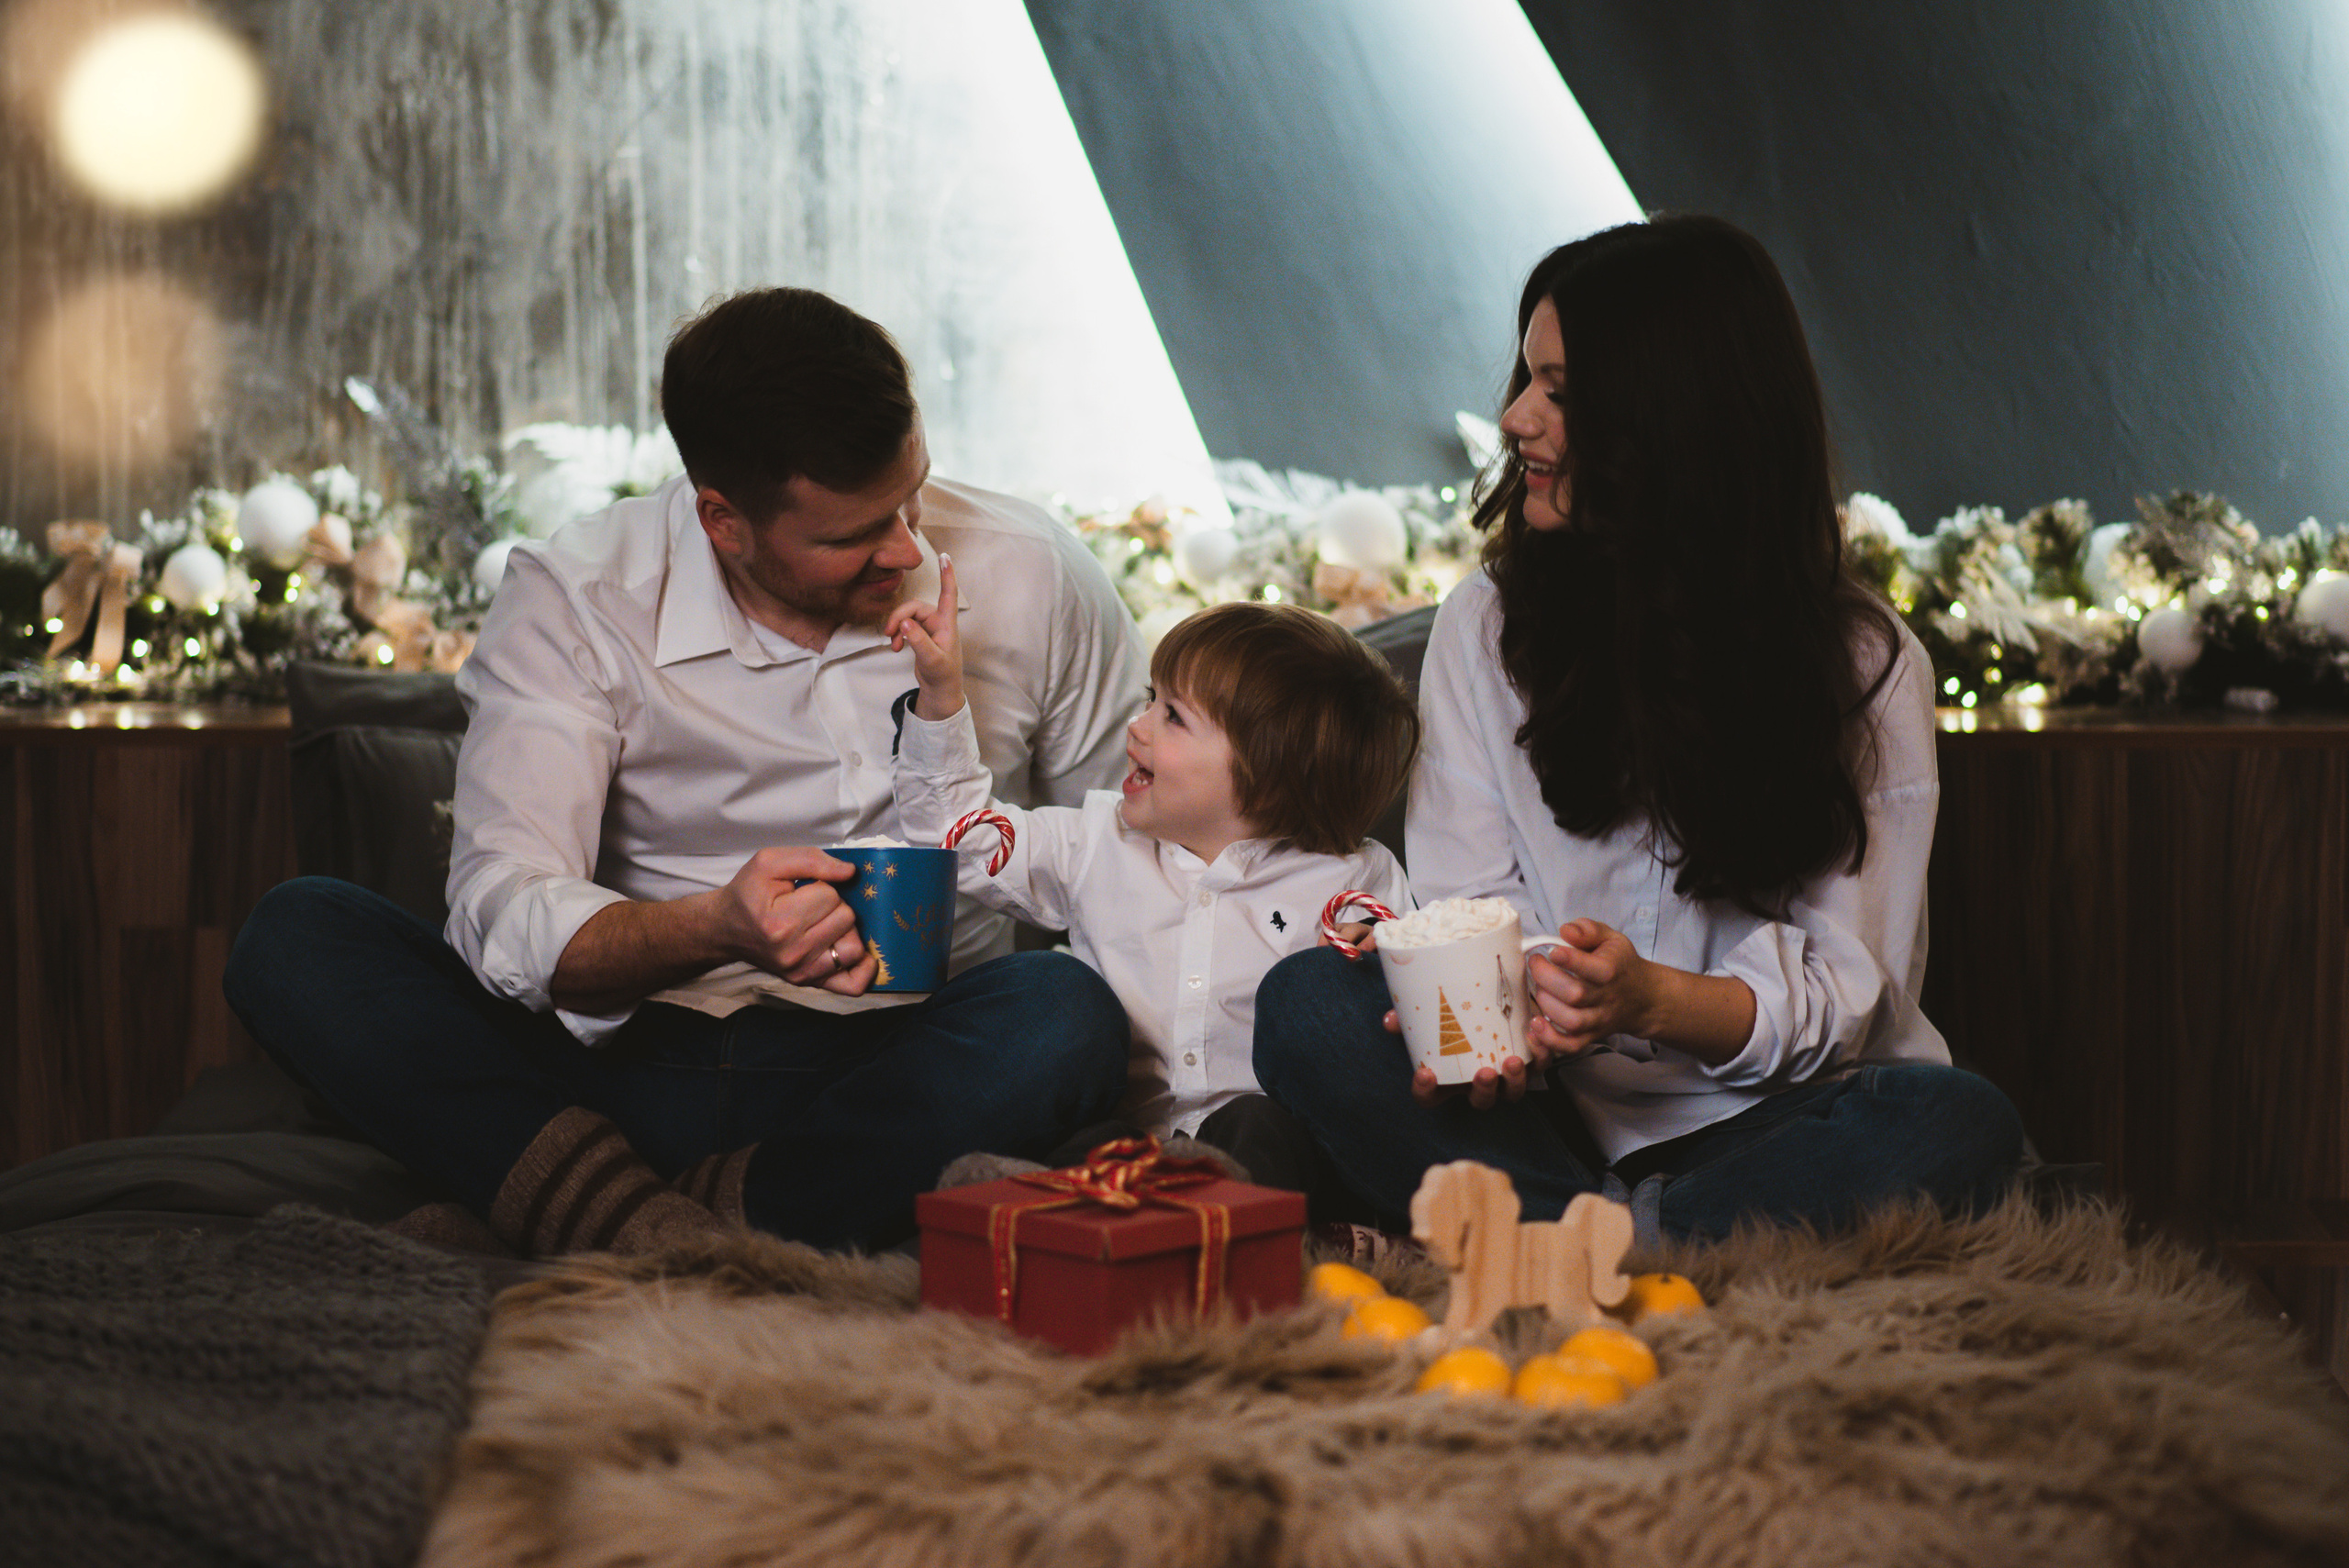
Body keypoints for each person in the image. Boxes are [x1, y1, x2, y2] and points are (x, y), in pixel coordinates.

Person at [225, 287, 1148, 1258]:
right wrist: (712, 926)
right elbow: (503, 904)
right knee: (297, 935)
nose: (910, 548)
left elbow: (1131, 850)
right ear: (723, 520)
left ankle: (598, 1211)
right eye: (851, 536)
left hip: (900, 1063)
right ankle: (707, 1223)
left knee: (1064, 1013)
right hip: (621, 1061)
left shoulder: (1032, 569)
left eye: (912, 494)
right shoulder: (580, 594)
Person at [1251, 215, 2024, 1247]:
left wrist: (1650, 1000)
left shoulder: (1864, 664)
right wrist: (1505, 1014)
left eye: (1560, 391)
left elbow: (1846, 989)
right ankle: (1647, 1239)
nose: (1517, 419)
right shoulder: (1486, 622)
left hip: (1777, 1120)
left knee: (1957, 1120)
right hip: (1546, 1117)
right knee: (1309, 1001)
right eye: (1524, 379)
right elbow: (1468, 896)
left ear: (1674, 418)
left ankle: (1574, 1239)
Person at [885, 580, 1416, 1189]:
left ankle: (1232, 1219)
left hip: (1268, 1147)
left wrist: (1377, 967)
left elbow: (1399, 1029)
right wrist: (941, 695)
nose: (1137, 727)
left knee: (1261, 1125)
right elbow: (957, 834)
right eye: (1149, 699)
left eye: (1172, 715)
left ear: (1270, 776)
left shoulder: (1355, 879)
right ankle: (1063, 1209)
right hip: (1127, 1136)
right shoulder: (1096, 841)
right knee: (1086, 1140)